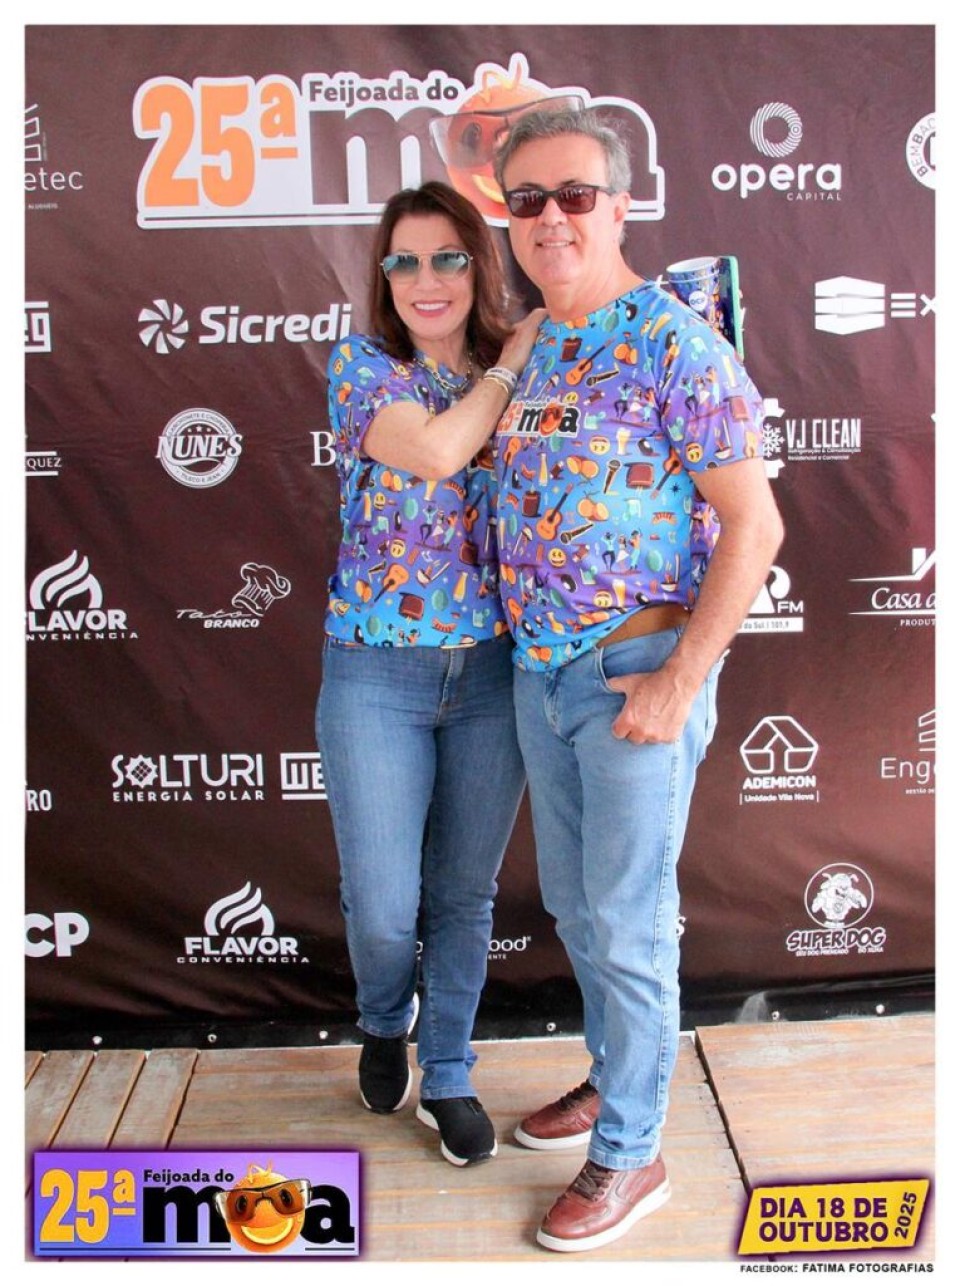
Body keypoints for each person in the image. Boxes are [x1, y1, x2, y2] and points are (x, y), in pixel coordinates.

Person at [491, 108, 784, 1250]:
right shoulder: (534, 344)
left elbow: (755, 527)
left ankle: (633, 1151)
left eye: (575, 195)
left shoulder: (675, 343)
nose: (551, 218)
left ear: (620, 205)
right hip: (542, 672)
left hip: (635, 673)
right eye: (527, 200)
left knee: (628, 918)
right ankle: (619, 1079)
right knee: (581, 909)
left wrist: (679, 681)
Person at [316, 181, 544, 1168]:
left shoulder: (529, 372)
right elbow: (440, 450)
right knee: (382, 905)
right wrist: (511, 369)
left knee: (462, 893)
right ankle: (382, 1018)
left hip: (493, 673)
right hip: (376, 674)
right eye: (403, 259)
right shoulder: (366, 367)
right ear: (384, 276)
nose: (426, 278)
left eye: (448, 255)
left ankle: (447, 1070)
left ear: (479, 266)